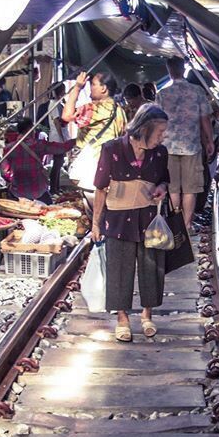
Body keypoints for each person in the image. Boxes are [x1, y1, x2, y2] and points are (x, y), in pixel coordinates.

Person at [92, 104, 170, 343]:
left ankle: (147, 314)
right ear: (144, 129)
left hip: (149, 218)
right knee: (118, 268)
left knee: (152, 266)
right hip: (118, 219)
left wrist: (161, 188)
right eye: (159, 132)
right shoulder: (112, 149)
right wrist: (96, 223)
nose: (162, 137)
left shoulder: (160, 153)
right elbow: (100, 188)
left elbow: (164, 179)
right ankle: (122, 318)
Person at [157, 56, 214, 230]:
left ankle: (175, 224)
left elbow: (157, 121)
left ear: (169, 71)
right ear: (183, 70)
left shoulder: (162, 94)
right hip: (191, 146)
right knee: (190, 189)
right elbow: (205, 119)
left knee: (173, 188)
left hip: (168, 147)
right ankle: (187, 225)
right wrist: (209, 141)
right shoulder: (197, 92)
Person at [3, 118, 74, 203]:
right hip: (38, 192)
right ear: (30, 129)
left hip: (17, 193)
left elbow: (4, 172)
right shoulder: (39, 145)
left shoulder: (9, 149)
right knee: (48, 211)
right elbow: (61, 148)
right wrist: (77, 140)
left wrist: (14, 181)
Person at [62, 70, 126, 150]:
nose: (90, 87)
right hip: (109, 157)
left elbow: (67, 115)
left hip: (92, 158)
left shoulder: (95, 109)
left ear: (103, 88)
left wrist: (77, 87)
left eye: (93, 84)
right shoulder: (120, 110)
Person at [37, 82, 68, 195]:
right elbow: (56, 122)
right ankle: (54, 189)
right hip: (57, 138)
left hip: (58, 138)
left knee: (58, 164)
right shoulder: (54, 104)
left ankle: (56, 187)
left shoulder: (58, 103)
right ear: (60, 92)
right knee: (57, 164)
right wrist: (62, 138)